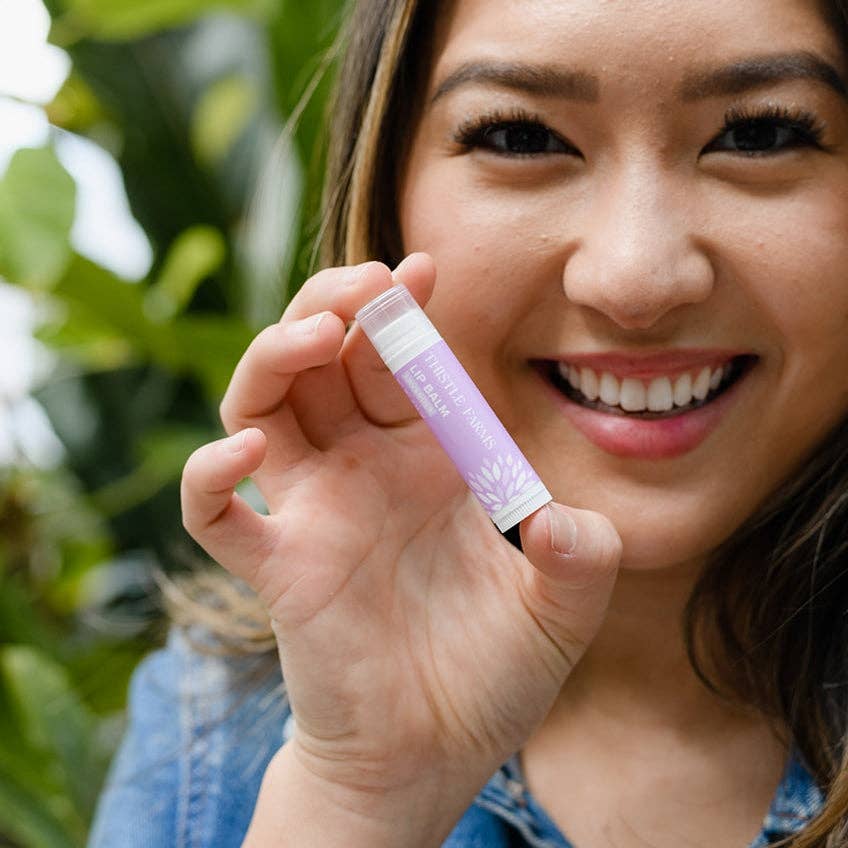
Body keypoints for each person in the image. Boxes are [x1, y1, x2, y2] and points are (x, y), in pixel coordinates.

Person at [88, 0, 848, 845]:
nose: (635, 279)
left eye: (759, 134)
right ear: (390, 199)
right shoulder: (212, 736)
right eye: (522, 137)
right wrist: (360, 799)